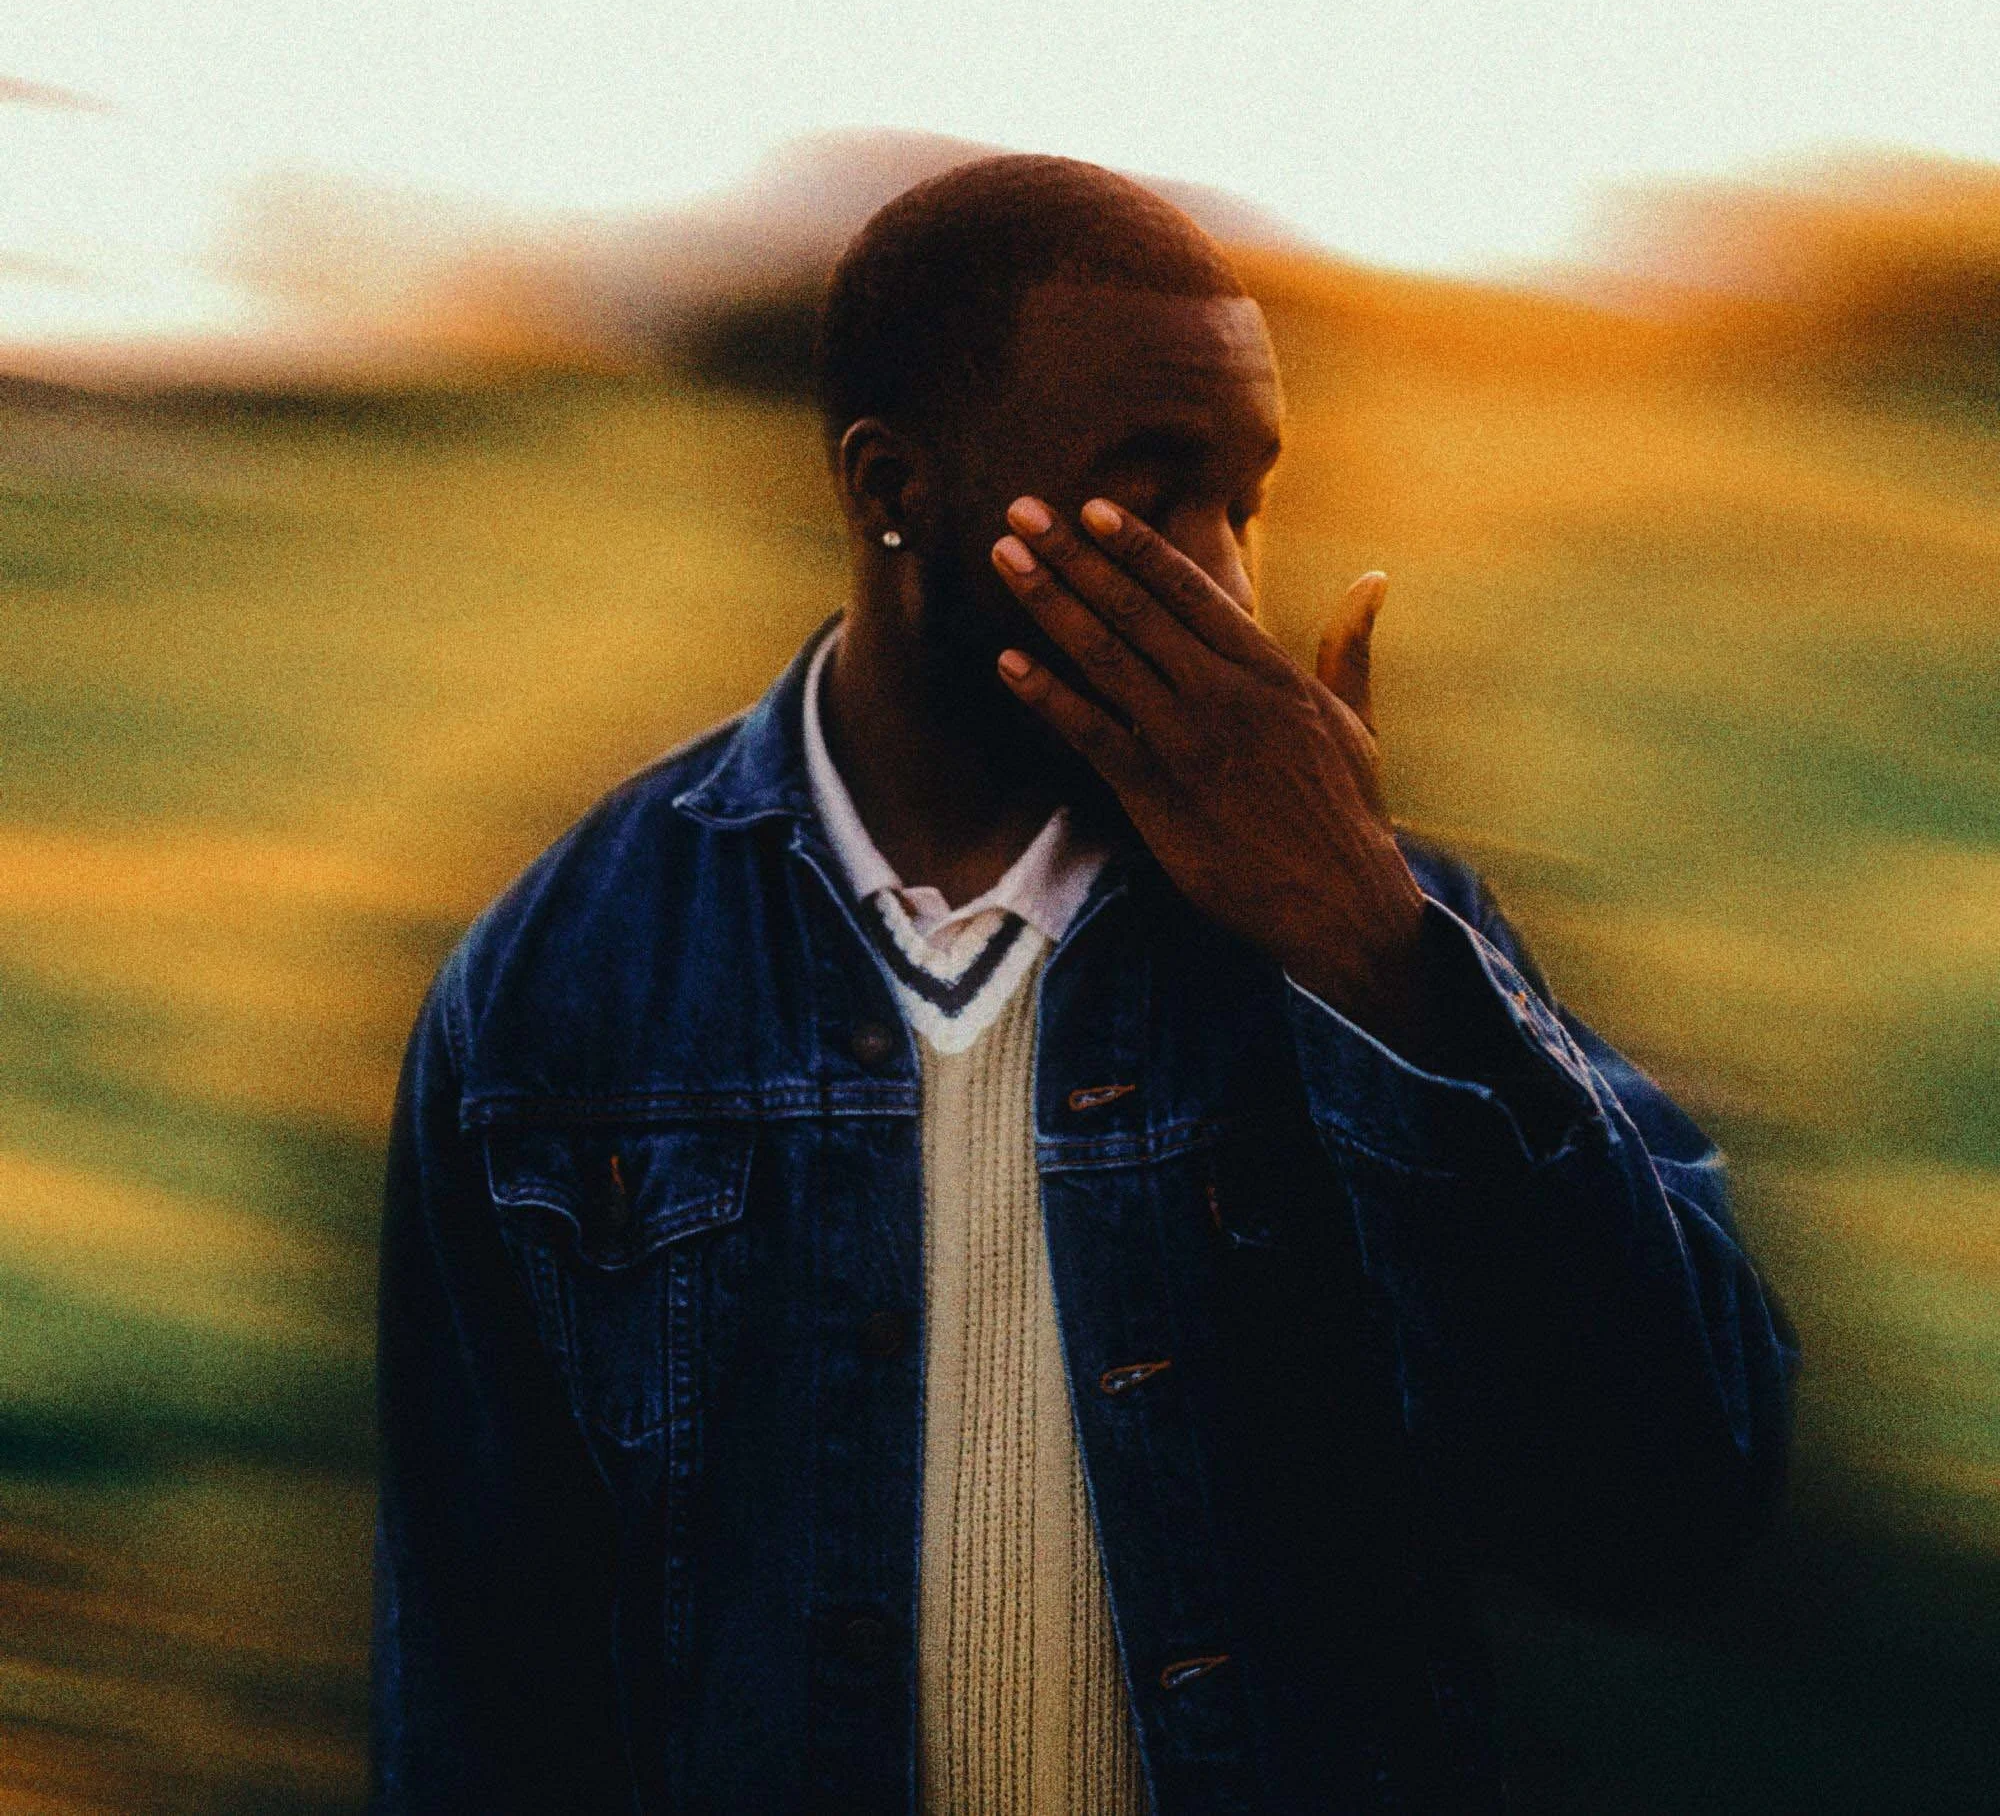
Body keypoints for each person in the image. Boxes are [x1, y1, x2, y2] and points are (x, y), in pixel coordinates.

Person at [369, 153, 1797, 1816]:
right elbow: (480, 1677)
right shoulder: (562, 987)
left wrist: (1373, 958)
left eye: (1246, 498)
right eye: (1151, 489)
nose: (1231, 583)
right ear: (894, 489)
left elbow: (1666, 1512)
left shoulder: (1384, 945)